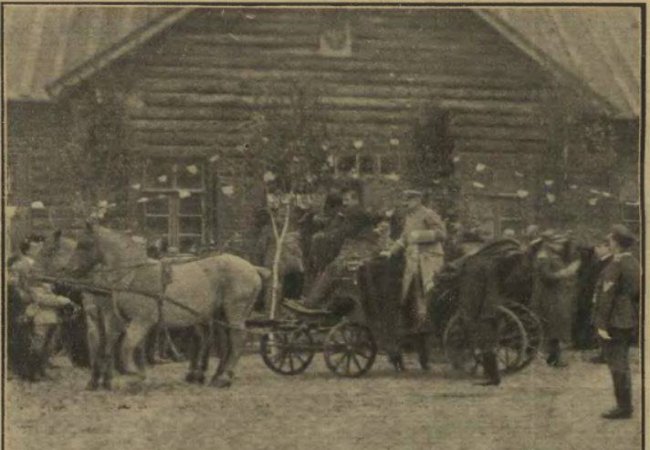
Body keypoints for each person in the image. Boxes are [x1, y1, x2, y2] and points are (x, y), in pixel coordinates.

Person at [9, 235, 75, 381]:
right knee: (38, 340)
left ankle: (42, 369)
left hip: (49, 308)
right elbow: (31, 293)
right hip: (35, 308)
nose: (41, 250)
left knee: (49, 342)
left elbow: (47, 288)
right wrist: (61, 300)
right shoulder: (22, 266)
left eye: (42, 247)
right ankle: (32, 372)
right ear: (28, 249)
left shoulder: (41, 266)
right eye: (37, 247)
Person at [593, 225, 639, 419]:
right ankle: (625, 405)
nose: (609, 243)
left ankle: (623, 407)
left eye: (611, 240)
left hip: (615, 321)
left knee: (618, 365)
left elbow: (606, 297)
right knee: (622, 363)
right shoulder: (634, 262)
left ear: (617, 244)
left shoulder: (616, 265)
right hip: (628, 318)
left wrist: (601, 324)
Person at [383, 190, 446, 330]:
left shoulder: (429, 214)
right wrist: (390, 252)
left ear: (417, 200)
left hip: (429, 258)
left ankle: (429, 323)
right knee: (413, 291)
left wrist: (419, 235)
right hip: (413, 259)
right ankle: (418, 324)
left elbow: (442, 233)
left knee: (428, 290)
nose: (405, 203)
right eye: (404, 200)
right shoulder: (409, 217)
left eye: (408, 200)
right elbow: (404, 238)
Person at [455, 231, 503, 386]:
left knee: (485, 342)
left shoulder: (476, 263)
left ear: (471, 245)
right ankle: (490, 375)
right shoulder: (481, 261)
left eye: (464, 244)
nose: (462, 247)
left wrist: (482, 311)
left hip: (482, 308)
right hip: (481, 307)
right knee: (484, 341)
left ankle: (493, 377)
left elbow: (481, 290)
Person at [530, 230, 581, 368]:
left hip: (554, 296)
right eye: (558, 243)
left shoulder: (551, 254)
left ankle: (554, 357)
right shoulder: (543, 256)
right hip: (547, 297)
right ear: (549, 243)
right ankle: (551, 357)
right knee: (552, 326)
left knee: (555, 326)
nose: (561, 246)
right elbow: (546, 276)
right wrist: (565, 272)